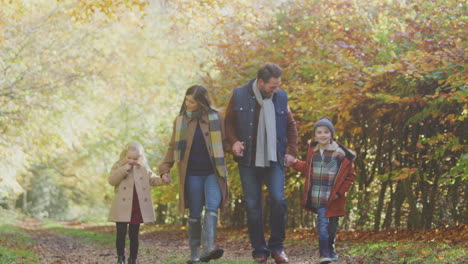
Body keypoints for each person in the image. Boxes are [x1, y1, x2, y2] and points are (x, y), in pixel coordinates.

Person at [224, 63, 298, 264]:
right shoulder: (239, 94)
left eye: (277, 86)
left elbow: (290, 125)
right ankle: (259, 249)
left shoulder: (281, 97)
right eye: (272, 86)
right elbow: (228, 122)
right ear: (260, 82)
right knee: (252, 205)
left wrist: (292, 152)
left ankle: (277, 247)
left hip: (274, 158)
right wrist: (234, 142)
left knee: (278, 200)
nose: (275, 90)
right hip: (248, 160)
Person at [159, 85, 229, 264]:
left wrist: (237, 148)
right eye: (187, 100)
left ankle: (208, 249)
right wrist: (165, 169)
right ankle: (194, 255)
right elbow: (173, 146)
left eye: (192, 101)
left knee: (212, 208)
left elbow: (226, 141)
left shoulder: (216, 116)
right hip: (192, 174)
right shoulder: (180, 120)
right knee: (195, 214)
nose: (188, 104)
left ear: (202, 102)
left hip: (213, 172)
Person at [287, 117, 356, 264]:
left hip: (334, 198)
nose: (323, 135)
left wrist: (339, 193)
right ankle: (324, 254)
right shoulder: (314, 151)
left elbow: (350, 176)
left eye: (326, 132)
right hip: (318, 196)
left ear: (331, 134)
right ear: (315, 135)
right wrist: (294, 163)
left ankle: (330, 248)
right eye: (319, 132)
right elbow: (308, 169)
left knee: (332, 228)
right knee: (322, 225)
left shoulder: (340, 153)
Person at [108, 141, 170, 264]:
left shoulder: (143, 168)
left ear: (140, 158)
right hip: (122, 206)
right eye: (129, 158)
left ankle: (133, 259)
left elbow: (152, 180)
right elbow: (112, 181)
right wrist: (123, 169)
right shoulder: (118, 166)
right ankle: (121, 258)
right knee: (121, 233)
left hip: (137, 206)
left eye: (135, 158)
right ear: (124, 156)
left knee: (134, 235)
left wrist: (163, 180)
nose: (131, 161)